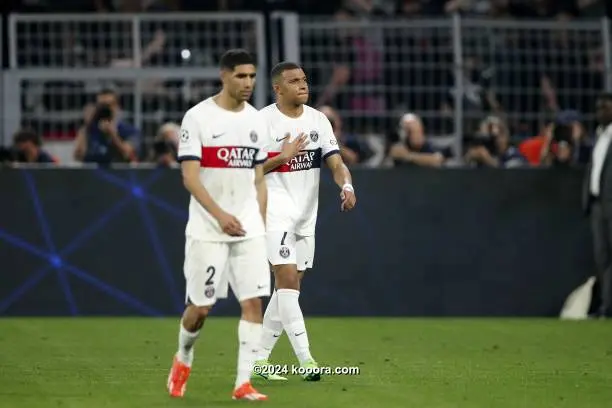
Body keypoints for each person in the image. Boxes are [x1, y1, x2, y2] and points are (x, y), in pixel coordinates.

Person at [166, 49, 271, 401]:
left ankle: (243, 383)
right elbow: (190, 179)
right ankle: (183, 357)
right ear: (223, 76)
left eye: (252, 76)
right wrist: (220, 216)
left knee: (253, 302)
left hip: (248, 228)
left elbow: (258, 178)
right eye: (241, 76)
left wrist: (261, 221)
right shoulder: (198, 118)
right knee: (201, 309)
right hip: (208, 229)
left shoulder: (257, 120)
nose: (248, 83)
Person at [252, 62, 356, 381]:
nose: (302, 85)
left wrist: (347, 185)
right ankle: (306, 360)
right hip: (274, 211)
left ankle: (259, 360)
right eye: (294, 81)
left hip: (305, 216)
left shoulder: (318, 120)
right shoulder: (262, 122)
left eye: (305, 80)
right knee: (286, 281)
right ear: (278, 89)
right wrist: (281, 158)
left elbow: (336, 163)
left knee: (291, 287)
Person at [583, 93, 612, 318]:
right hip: (598, 204)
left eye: (605, 107)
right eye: (598, 107)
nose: (600, 111)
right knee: (602, 257)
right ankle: (607, 307)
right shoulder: (600, 135)